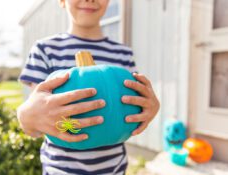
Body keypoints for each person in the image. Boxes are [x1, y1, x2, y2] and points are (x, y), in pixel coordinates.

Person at [17, 0, 160, 174]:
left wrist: (149, 108)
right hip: (61, 170)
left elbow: (132, 104)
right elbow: (40, 120)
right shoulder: (45, 50)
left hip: (113, 168)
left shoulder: (123, 53)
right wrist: (27, 117)